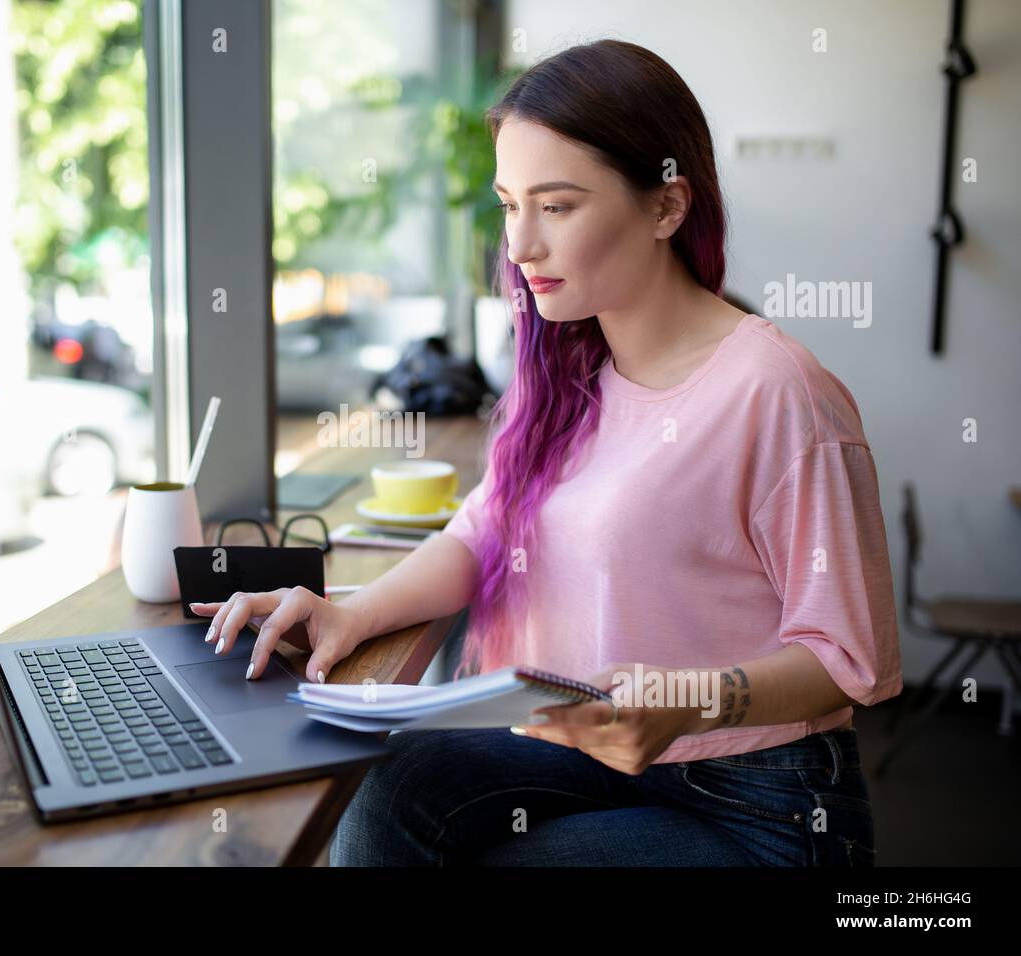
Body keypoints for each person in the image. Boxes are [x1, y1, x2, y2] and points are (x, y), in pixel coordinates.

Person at [189, 39, 903, 866]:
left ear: (667, 207)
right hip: (583, 754)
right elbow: (482, 532)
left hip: (755, 801)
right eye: (508, 204)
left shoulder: (779, 393)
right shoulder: (564, 364)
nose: (520, 246)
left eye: (556, 207)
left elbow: (849, 659)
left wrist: (686, 701)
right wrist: (351, 613)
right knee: (386, 786)